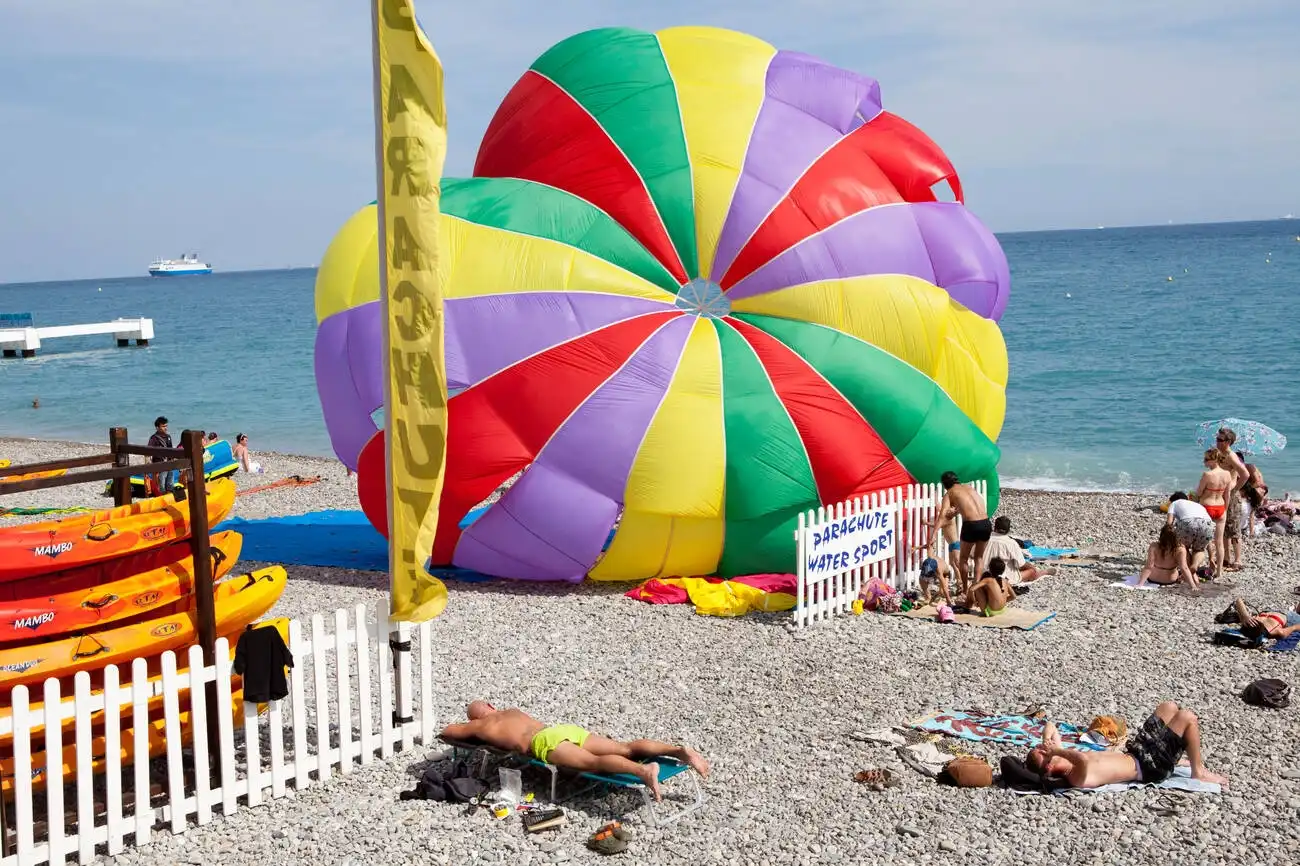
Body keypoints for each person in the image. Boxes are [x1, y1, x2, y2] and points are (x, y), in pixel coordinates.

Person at [439, 702, 710, 801]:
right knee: (625, 747)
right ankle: (678, 750)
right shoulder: (510, 711)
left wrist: (469, 726)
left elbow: (450, 731)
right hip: (561, 730)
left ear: (476, 718)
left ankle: (642, 770)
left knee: (593, 762)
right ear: (490, 704)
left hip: (544, 743)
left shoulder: (481, 726)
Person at [1025, 702, 1227, 788]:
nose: (1048, 749)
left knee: (1169, 707)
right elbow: (1083, 761)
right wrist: (1058, 750)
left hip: (1137, 752)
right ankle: (1198, 771)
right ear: (1050, 766)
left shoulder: (1063, 756)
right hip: (1151, 768)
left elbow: (1050, 725)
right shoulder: (1075, 777)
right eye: (1045, 753)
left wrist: (1046, 741)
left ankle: (1178, 756)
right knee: (1187, 717)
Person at [933, 471, 991, 595]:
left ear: (945, 485)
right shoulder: (969, 487)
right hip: (986, 523)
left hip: (971, 525)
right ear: (956, 480)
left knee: (963, 559)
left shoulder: (949, 493)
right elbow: (969, 506)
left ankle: (965, 590)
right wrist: (957, 511)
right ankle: (976, 588)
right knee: (979, 557)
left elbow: (942, 516)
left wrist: (933, 534)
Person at [981, 516, 1056, 583]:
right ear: (1008, 530)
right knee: (1031, 571)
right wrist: (1032, 567)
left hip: (982, 574)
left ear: (994, 528)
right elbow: (1021, 564)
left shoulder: (983, 539)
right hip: (1004, 577)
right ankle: (1043, 572)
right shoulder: (1011, 543)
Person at [1195, 450, 1234, 578]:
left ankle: (1210, 559)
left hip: (1207, 506)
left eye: (1206, 459)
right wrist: (1225, 509)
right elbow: (1227, 494)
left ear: (1214, 460)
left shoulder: (1207, 475)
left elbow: (1199, 492)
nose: (1204, 462)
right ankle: (1219, 572)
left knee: (1205, 539)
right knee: (1219, 542)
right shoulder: (1227, 474)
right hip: (1221, 507)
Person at [1137, 525, 1198, 589]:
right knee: (1183, 573)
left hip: (1153, 579)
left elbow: (1149, 566)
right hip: (1170, 580)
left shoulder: (1154, 546)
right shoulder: (1180, 549)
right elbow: (1184, 568)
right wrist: (1193, 586)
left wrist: (1140, 584)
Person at [1166, 491, 1213, 573]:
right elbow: (1209, 541)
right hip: (1208, 523)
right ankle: (1194, 565)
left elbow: (1169, 523)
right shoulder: (1198, 505)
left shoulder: (1174, 503)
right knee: (1199, 550)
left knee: (1183, 547)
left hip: (1188, 521)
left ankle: (1187, 569)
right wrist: (1211, 556)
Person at [1233, 597, 1300, 642]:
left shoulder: (1247, 621)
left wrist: (1245, 616)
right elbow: (1287, 631)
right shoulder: (1271, 631)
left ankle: (1296, 610)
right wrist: (1245, 616)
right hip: (1286, 616)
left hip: (1274, 612)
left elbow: (1238, 600)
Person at [147, 416, 175, 495]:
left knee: (170, 484)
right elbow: (148, 451)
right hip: (159, 465)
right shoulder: (154, 438)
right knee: (161, 486)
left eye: (166, 426)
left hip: (169, 464)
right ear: (157, 427)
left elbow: (171, 450)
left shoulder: (168, 437)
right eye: (163, 426)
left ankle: (169, 497)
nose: (165, 428)